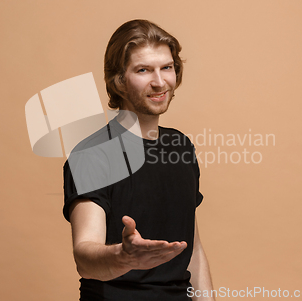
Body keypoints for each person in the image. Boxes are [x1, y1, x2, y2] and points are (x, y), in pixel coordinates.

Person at [62, 19, 214, 300]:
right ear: (119, 80)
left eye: (166, 68)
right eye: (143, 70)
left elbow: (192, 249)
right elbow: (84, 256)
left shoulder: (180, 146)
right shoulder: (92, 154)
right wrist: (124, 257)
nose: (159, 82)